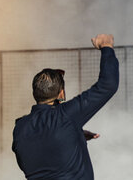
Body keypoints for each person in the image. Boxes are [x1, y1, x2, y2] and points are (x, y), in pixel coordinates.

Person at [12, 34, 119, 179]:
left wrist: (73, 135)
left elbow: (40, 154)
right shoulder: (65, 116)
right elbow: (108, 85)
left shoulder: (19, 128)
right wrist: (106, 46)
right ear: (61, 93)